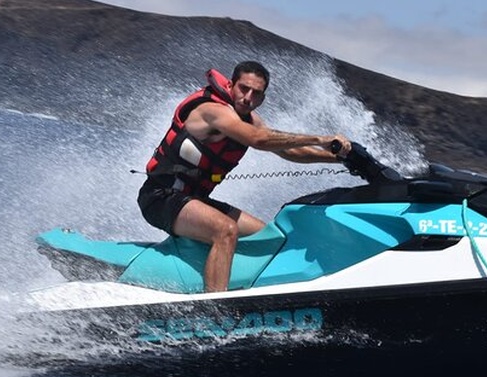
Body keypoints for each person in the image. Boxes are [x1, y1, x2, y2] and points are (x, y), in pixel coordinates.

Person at [138, 61, 352, 293]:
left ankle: (246, 290)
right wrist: (319, 139)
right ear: (231, 85)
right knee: (226, 230)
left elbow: (289, 150)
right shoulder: (211, 110)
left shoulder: (251, 119)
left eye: (256, 93)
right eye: (243, 88)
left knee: (268, 237)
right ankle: (214, 308)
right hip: (161, 197)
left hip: (194, 201)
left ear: (262, 98)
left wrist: (340, 159)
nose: (248, 97)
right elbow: (258, 140)